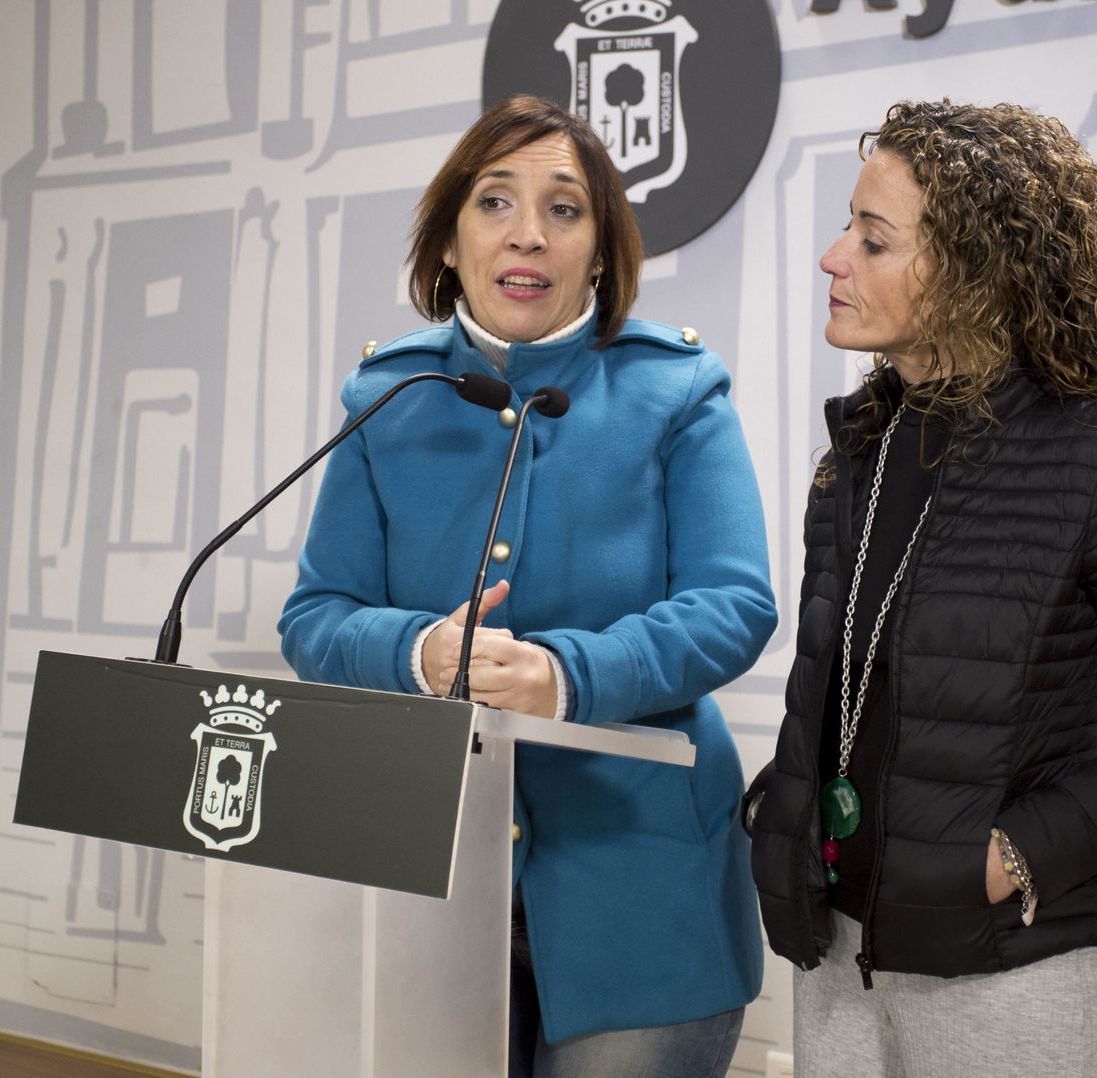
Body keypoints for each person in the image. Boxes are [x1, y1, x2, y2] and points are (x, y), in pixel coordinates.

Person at [743, 100, 1097, 1076]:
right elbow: (860, 691)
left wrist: (1013, 852)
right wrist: (785, 803)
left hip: (1013, 971)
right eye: (846, 226)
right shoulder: (860, 446)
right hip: (836, 953)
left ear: (974, 270)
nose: (831, 257)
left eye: (871, 237)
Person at [279, 95, 776, 1078]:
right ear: (452, 237)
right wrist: (418, 653)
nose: (526, 234)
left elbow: (733, 605)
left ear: (600, 249)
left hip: (641, 888)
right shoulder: (388, 396)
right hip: (429, 877)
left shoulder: (677, 390)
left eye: (563, 208)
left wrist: (567, 674)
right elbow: (315, 616)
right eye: (495, 201)